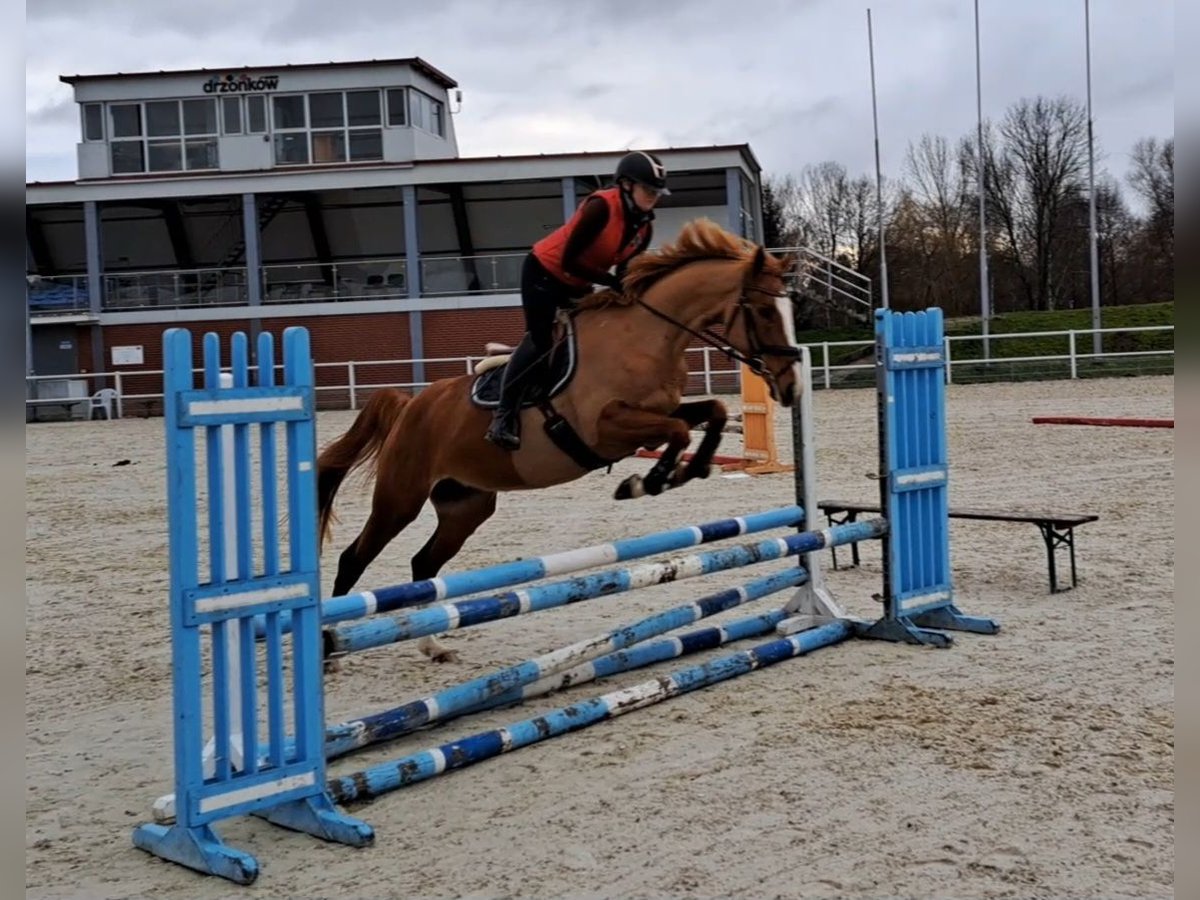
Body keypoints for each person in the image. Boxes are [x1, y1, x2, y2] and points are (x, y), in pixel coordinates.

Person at [484, 150, 670, 451]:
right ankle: (503, 417)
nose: (653, 197)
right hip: (544, 273)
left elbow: (624, 274)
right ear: (625, 185)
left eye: (657, 193)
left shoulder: (644, 229)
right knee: (542, 339)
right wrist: (610, 284)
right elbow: (570, 260)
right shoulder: (601, 207)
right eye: (648, 190)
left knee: (596, 338)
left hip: (580, 281)